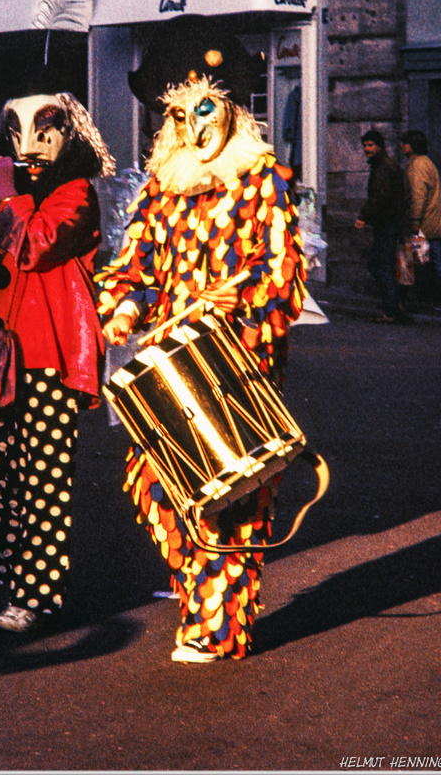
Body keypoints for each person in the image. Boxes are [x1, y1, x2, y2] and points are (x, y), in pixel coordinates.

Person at [96, 70, 307, 664]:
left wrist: (239, 302)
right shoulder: (162, 188)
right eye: (184, 115)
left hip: (238, 361)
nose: (198, 126)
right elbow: (133, 266)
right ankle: (202, 597)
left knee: (234, 498)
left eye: (208, 109)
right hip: (168, 363)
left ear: (234, 112)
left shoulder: (261, 181)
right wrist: (123, 308)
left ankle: (216, 629)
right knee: (161, 491)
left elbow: (282, 271)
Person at [0, 90, 115, 633]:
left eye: (46, 133)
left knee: (43, 479)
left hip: (49, 354)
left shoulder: (75, 193)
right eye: (21, 134)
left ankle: (35, 596)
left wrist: (7, 196)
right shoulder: (12, 193)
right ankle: (17, 577)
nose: (32, 146)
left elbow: (37, 243)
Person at [400, 130, 441, 304]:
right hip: (431, 222)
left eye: (405, 142)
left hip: (425, 225)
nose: (401, 145)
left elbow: (418, 196)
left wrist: (414, 221)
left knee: (434, 262)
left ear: (412, 145)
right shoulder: (424, 163)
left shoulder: (418, 166)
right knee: (430, 262)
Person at [354, 129, 407, 323]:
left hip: (388, 223)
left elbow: (380, 197)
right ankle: (395, 303)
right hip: (390, 222)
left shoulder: (383, 167)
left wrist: (364, 216)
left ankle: (391, 308)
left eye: (370, 145)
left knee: (379, 264)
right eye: (365, 145)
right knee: (384, 264)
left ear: (379, 146)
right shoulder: (384, 165)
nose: (367, 149)